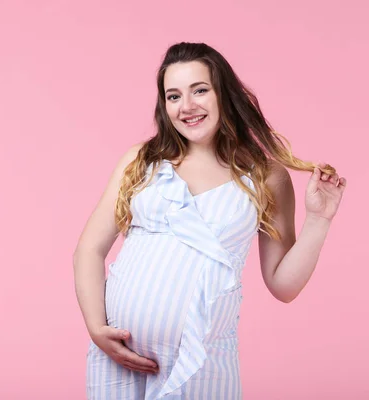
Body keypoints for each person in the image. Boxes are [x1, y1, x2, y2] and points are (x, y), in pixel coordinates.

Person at [73, 42, 347, 399]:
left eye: (199, 90)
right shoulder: (141, 161)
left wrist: (319, 219)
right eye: (173, 96)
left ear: (224, 95)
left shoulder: (264, 175)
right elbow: (89, 250)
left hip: (203, 365)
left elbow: (283, 286)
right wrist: (97, 329)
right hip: (117, 359)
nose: (186, 106)